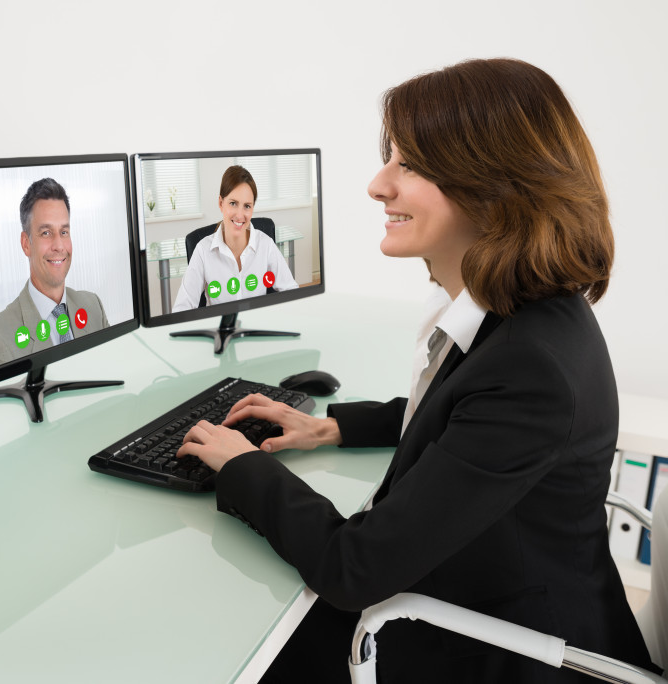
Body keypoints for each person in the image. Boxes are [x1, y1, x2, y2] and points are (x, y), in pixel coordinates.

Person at [176, 59, 659, 682]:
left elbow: (353, 568)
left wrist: (244, 465)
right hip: (478, 586)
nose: (378, 185)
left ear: (495, 186)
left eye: (409, 165)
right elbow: (457, 413)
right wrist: (329, 427)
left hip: (504, 648)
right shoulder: (511, 310)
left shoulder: (531, 368)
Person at [0, 178, 108, 372]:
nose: (59, 245)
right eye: (46, 233)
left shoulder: (93, 307)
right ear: (26, 244)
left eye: (64, 232)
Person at [171, 165, 298, 312]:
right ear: (221, 203)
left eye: (247, 206)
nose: (240, 215)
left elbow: (292, 292)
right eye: (233, 203)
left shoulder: (265, 244)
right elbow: (181, 309)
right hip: (222, 330)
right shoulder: (202, 250)